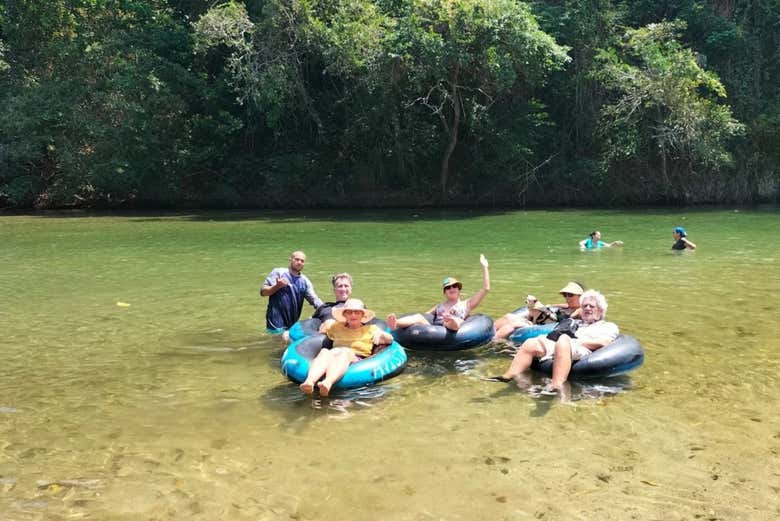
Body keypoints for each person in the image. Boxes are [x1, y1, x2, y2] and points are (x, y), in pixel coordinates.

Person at [495, 289, 619, 391]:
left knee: (564, 339)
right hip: (562, 345)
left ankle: (556, 386)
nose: (587, 308)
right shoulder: (577, 323)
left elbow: (604, 343)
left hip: (581, 348)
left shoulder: (607, 326)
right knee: (531, 342)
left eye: (591, 306)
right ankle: (507, 376)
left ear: (600, 310)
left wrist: (576, 341)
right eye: (584, 306)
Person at [299, 299, 393, 397]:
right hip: (335, 353)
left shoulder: (371, 329)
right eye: (349, 312)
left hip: (356, 358)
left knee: (344, 352)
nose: (353, 315)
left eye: (357, 312)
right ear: (344, 315)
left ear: (362, 315)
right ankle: (309, 382)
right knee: (324, 351)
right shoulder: (336, 327)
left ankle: (328, 382)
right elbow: (322, 331)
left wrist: (382, 333)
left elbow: (390, 340)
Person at [387, 254, 490, 332]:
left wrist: (485, 267)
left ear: (459, 290)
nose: (452, 289)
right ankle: (396, 323)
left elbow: (486, 288)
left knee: (453, 321)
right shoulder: (439, 306)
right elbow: (425, 315)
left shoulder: (466, 304)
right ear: (445, 293)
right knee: (418, 317)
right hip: (435, 330)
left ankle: (450, 320)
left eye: (455, 286)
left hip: (452, 328)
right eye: (448, 287)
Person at [260, 250, 323, 333]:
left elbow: (314, 300)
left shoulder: (305, 281)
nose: (299, 262)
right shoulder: (279, 272)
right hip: (275, 322)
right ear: (290, 259)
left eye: (302, 261)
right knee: (275, 343)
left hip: (292, 324)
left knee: (286, 342)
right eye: (297, 259)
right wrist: (277, 286)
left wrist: (327, 310)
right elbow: (263, 292)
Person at [281, 272, 353, 343]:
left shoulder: (357, 308)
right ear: (334, 290)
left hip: (346, 338)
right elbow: (311, 322)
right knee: (286, 334)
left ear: (350, 289)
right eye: (340, 286)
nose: (343, 289)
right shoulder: (325, 307)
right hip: (322, 340)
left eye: (346, 286)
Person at [492, 295, 557, 342]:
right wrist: (525, 320)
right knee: (509, 316)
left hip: (540, 327)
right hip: (535, 323)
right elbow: (529, 317)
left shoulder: (537, 311)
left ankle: (495, 339)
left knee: (514, 324)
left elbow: (535, 323)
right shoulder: (532, 309)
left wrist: (527, 323)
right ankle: (491, 330)